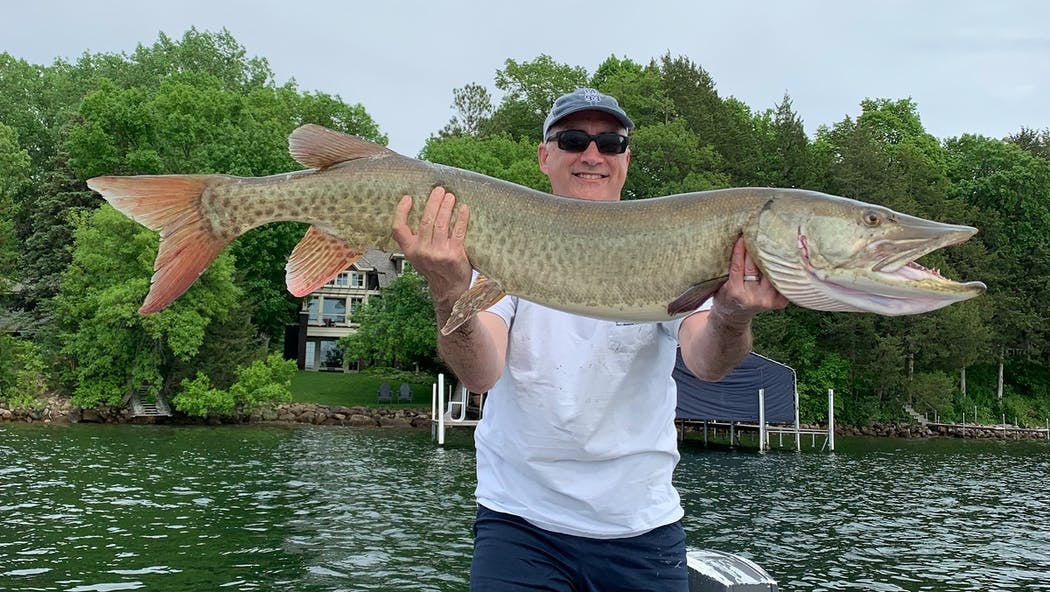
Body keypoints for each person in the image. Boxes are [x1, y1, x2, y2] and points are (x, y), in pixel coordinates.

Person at [392, 88, 787, 591]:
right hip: (519, 524)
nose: (593, 155)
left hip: (640, 527)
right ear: (545, 156)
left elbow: (707, 361)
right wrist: (448, 291)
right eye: (574, 139)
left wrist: (731, 315)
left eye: (611, 143)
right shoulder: (504, 238)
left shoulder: (670, 243)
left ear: (626, 158)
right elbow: (479, 372)